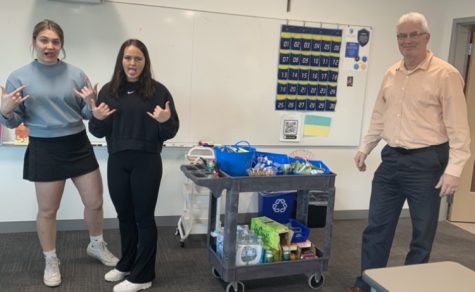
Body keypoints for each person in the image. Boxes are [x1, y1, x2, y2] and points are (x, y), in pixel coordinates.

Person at [348, 12, 471, 292]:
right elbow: (380, 116)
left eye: (414, 34)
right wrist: (365, 148)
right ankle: (367, 283)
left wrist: (453, 170)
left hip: (428, 161)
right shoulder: (392, 74)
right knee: (377, 227)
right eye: (402, 36)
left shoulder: (446, 74)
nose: (407, 40)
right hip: (391, 159)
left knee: (422, 233)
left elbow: (459, 130)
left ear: (426, 37)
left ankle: (411, 287)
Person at [0, 19, 118, 287]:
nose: (50, 46)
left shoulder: (76, 74)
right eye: (44, 40)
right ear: (34, 42)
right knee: (48, 210)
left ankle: (96, 244)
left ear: (61, 45)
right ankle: (51, 259)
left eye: (55, 41)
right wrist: (5, 110)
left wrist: (93, 108)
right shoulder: (19, 77)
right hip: (44, 147)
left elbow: (87, 113)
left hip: (77, 143)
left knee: (95, 202)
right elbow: (13, 120)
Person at [88, 39, 179, 292]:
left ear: (145, 62)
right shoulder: (109, 91)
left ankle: (143, 276)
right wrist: (95, 118)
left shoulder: (158, 92)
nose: (132, 63)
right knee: (124, 216)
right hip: (117, 160)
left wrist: (164, 121)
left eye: (137, 58)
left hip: (146, 161)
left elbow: (170, 130)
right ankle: (127, 264)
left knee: (143, 218)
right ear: (121, 61)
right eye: (128, 58)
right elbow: (98, 131)